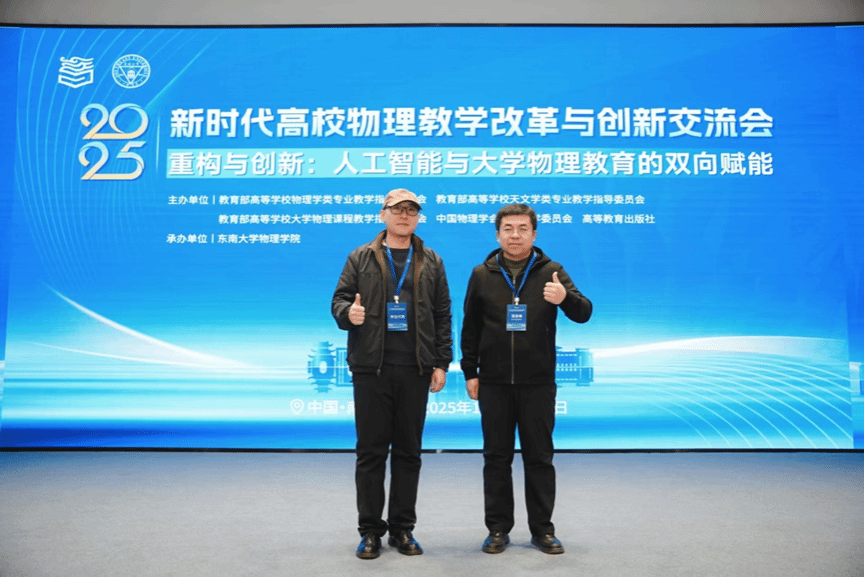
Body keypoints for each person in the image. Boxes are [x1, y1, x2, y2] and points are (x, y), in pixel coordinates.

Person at [460, 203, 592, 555]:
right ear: (497, 234)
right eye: (508, 229)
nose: (515, 235)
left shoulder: (552, 271)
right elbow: (470, 327)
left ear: (534, 234)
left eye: (522, 229)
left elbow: (584, 312)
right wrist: (470, 372)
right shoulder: (481, 274)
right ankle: (497, 529)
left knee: (539, 459)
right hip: (494, 383)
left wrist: (564, 298)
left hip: (538, 382)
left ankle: (543, 530)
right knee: (496, 458)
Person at [332, 188, 453, 560]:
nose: (404, 215)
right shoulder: (361, 256)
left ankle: (402, 529)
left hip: (415, 369)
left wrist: (441, 362)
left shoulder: (431, 260)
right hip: (371, 369)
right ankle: (370, 531)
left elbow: (443, 314)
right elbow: (340, 299)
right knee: (370, 454)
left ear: (418, 217)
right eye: (397, 209)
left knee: (408, 453)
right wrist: (347, 314)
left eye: (411, 210)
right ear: (382, 214)